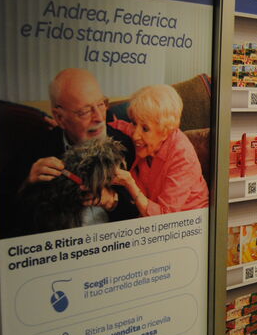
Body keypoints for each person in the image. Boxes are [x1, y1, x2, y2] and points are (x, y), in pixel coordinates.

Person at [19, 68, 138, 228]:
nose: (98, 118)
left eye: (101, 104)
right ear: (60, 118)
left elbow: (139, 218)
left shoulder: (126, 144)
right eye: (84, 111)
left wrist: (113, 201)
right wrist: (28, 183)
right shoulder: (36, 149)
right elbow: (6, 216)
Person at [110, 85, 209, 216]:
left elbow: (164, 217)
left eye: (145, 129)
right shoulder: (143, 134)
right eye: (134, 123)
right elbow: (118, 126)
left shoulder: (182, 156)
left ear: (165, 131)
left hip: (186, 222)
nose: (135, 135)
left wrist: (129, 184)